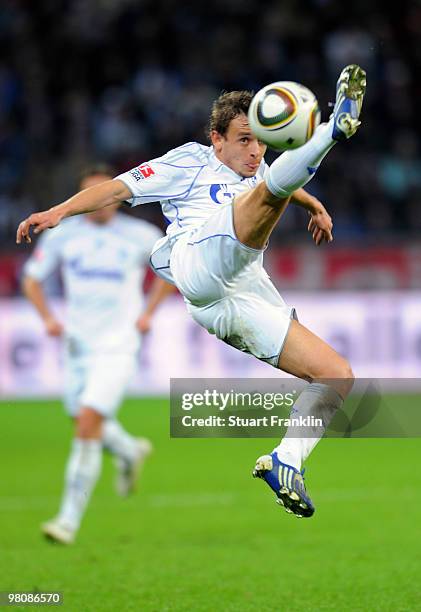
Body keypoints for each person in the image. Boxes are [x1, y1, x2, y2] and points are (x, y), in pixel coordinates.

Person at [17, 65, 366, 519]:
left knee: (336, 375)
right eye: (244, 139)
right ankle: (332, 131)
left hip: (239, 294)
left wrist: (312, 203)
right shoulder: (187, 162)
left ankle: (286, 461)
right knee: (258, 201)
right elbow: (118, 188)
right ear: (215, 139)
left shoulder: (255, 177)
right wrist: (59, 211)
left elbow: (269, 188)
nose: (255, 150)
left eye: (261, 140)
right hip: (196, 261)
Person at [22, 164, 174, 543]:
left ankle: (68, 521)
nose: (100, 205)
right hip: (77, 343)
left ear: (114, 196)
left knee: (87, 421)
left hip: (118, 343)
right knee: (82, 417)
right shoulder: (62, 237)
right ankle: (129, 450)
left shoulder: (141, 236)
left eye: (105, 195)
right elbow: (32, 278)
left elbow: (170, 272)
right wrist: (48, 318)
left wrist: (147, 314)